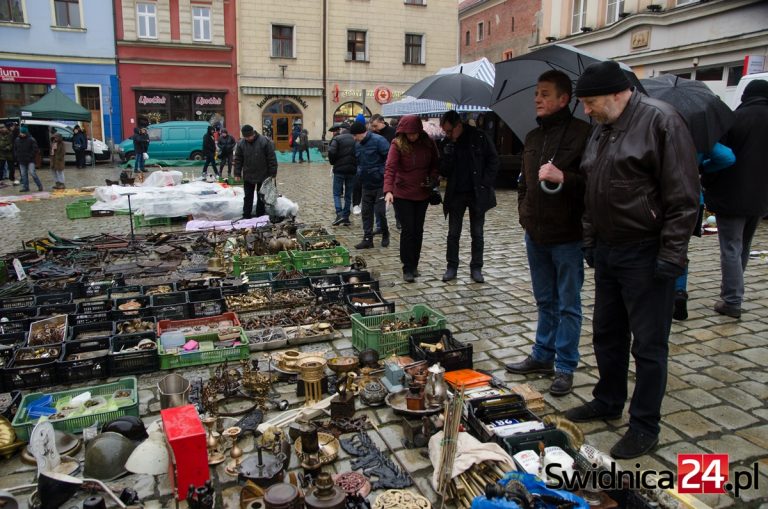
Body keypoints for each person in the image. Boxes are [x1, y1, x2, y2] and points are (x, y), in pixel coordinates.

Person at [564, 61, 700, 459]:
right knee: (607, 333)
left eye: (590, 102)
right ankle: (607, 399)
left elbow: (683, 198)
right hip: (608, 250)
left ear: (616, 93)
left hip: (647, 251)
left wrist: (672, 256)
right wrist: (590, 239)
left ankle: (645, 424)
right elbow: (592, 188)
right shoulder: (602, 128)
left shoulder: (662, 121)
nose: (586, 110)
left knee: (649, 345)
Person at [505, 70, 591, 397]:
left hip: (568, 234)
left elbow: (593, 183)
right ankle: (542, 354)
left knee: (568, 303)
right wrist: (524, 212)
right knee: (544, 299)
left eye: (544, 94)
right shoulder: (532, 137)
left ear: (563, 99)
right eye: (536, 94)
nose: (537, 99)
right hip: (535, 232)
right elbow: (524, 182)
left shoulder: (583, 134)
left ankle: (565, 365)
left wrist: (563, 177)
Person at [702, 79, 768, 319]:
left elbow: (719, 156)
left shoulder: (736, 118)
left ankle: (732, 300)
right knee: (744, 246)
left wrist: (707, 180)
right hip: (760, 197)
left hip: (732, 194)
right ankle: (733, 293)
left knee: (730, 246)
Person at [673, 142, 735, 320]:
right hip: (691, 198)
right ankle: (678, 291)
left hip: (661, 197)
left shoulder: (654, 126)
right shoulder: (698, 133)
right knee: (680, 247)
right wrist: (702, 167)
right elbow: (727, 157)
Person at [438, 110, 499, 284]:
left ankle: (476, 267)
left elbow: (493, 160)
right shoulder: (446, 143)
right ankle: (452, 266)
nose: (448, 134)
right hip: (456, 194)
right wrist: (447, 155)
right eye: (445, 131)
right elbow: (443, 171)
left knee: (477, 233)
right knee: (453, 233)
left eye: (450, 130)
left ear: (459, 125)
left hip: (477, 193)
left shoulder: (479, 137)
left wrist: (485, 183)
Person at [383, 115, 439, 282]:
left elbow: (435, 164)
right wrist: (388, 190)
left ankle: (415, 264)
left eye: (414, 133)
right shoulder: (397, 144)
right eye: (409, 133)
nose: (412, 136)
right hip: (402, 193)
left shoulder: (428, 142)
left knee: (418, 230)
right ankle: (407, 267)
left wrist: (432, 178)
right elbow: (390, 168)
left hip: (422, 192)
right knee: (408, 230)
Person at [349, 121, 390, 249]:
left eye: (355, 136)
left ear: (362, 133)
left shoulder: (379, 141)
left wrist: (380, 173)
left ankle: (385, 233)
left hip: (380, 184)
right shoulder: (357, 145)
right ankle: (367, 239)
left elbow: (389, 160)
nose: (354, 139)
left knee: (380, 212)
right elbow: (358, 162)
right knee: (366, 213)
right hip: (366, 184)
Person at [234, 124, 277, 219]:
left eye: (249, 136)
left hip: (263, 174)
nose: (248, 138)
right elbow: (238, 159)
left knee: (261, 196)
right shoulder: (241, 143)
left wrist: (273, 173)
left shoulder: (264, 141)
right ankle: (246, 216)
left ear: (253, 133)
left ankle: (260, 215)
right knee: (248, 196)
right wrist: (237, 173)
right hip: (248, 174)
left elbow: (271, 158)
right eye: (246, 137)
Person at [328, 122, 356, 226]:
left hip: (339, 169)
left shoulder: (337, 138)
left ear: (341, 129)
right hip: (352, 170)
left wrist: (333, 162)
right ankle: (346, 216)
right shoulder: (355, 138)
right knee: (348, 194)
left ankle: (339, 214)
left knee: (336, 193)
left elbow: (331, 151)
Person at [14, 126, 43, 192]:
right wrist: (16, 156)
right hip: (21, 160)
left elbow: (35, 149)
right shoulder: (17, 139)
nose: (22, 134)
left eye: (23, 133)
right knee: (23, 174)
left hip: (30, 160)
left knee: (32, 173)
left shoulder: (31, 139)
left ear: (26, 133)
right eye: (21, 132)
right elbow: (15, 149)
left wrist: (30, 156)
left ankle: (39, 186)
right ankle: (25, 187)